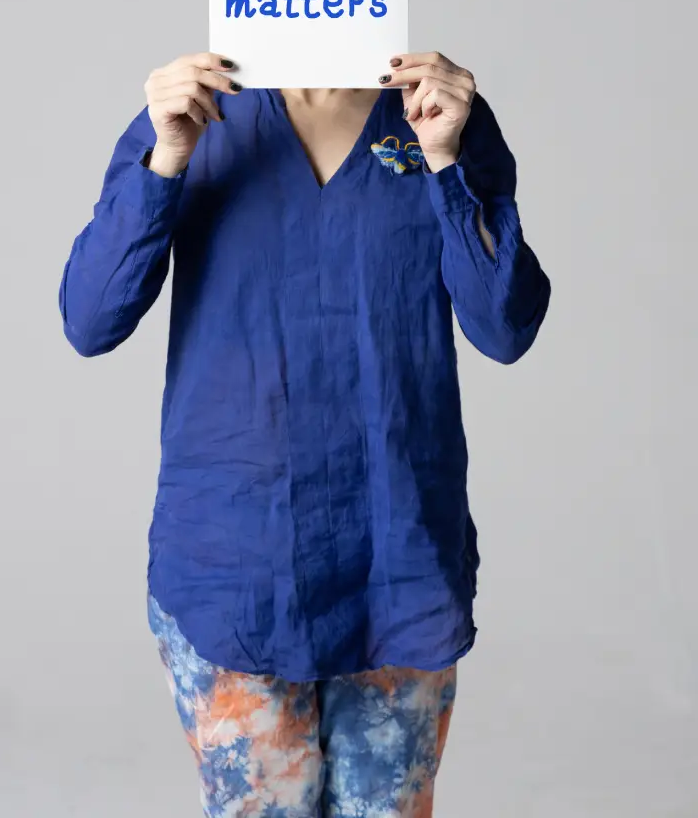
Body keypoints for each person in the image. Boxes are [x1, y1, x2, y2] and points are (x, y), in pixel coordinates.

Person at [59, 50, 550, 817]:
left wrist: (447, 160)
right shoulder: (199, 118)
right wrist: (165, 159)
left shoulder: (431, 116)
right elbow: (89, 319)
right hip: (236, 567)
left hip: (398, 561)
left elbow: (506, 325)